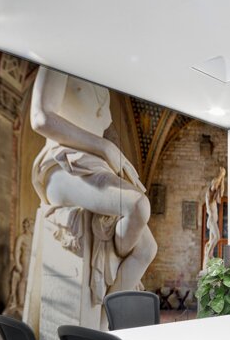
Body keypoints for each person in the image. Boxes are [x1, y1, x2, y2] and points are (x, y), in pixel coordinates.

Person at [30, 67, 156, 300]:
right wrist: (105, 147)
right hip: (61, 164)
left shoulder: (102, 82)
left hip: (93, 167)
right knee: (138, 205)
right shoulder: (60, 57)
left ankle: (104, 324)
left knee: (147, 249)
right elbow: (40, 118)